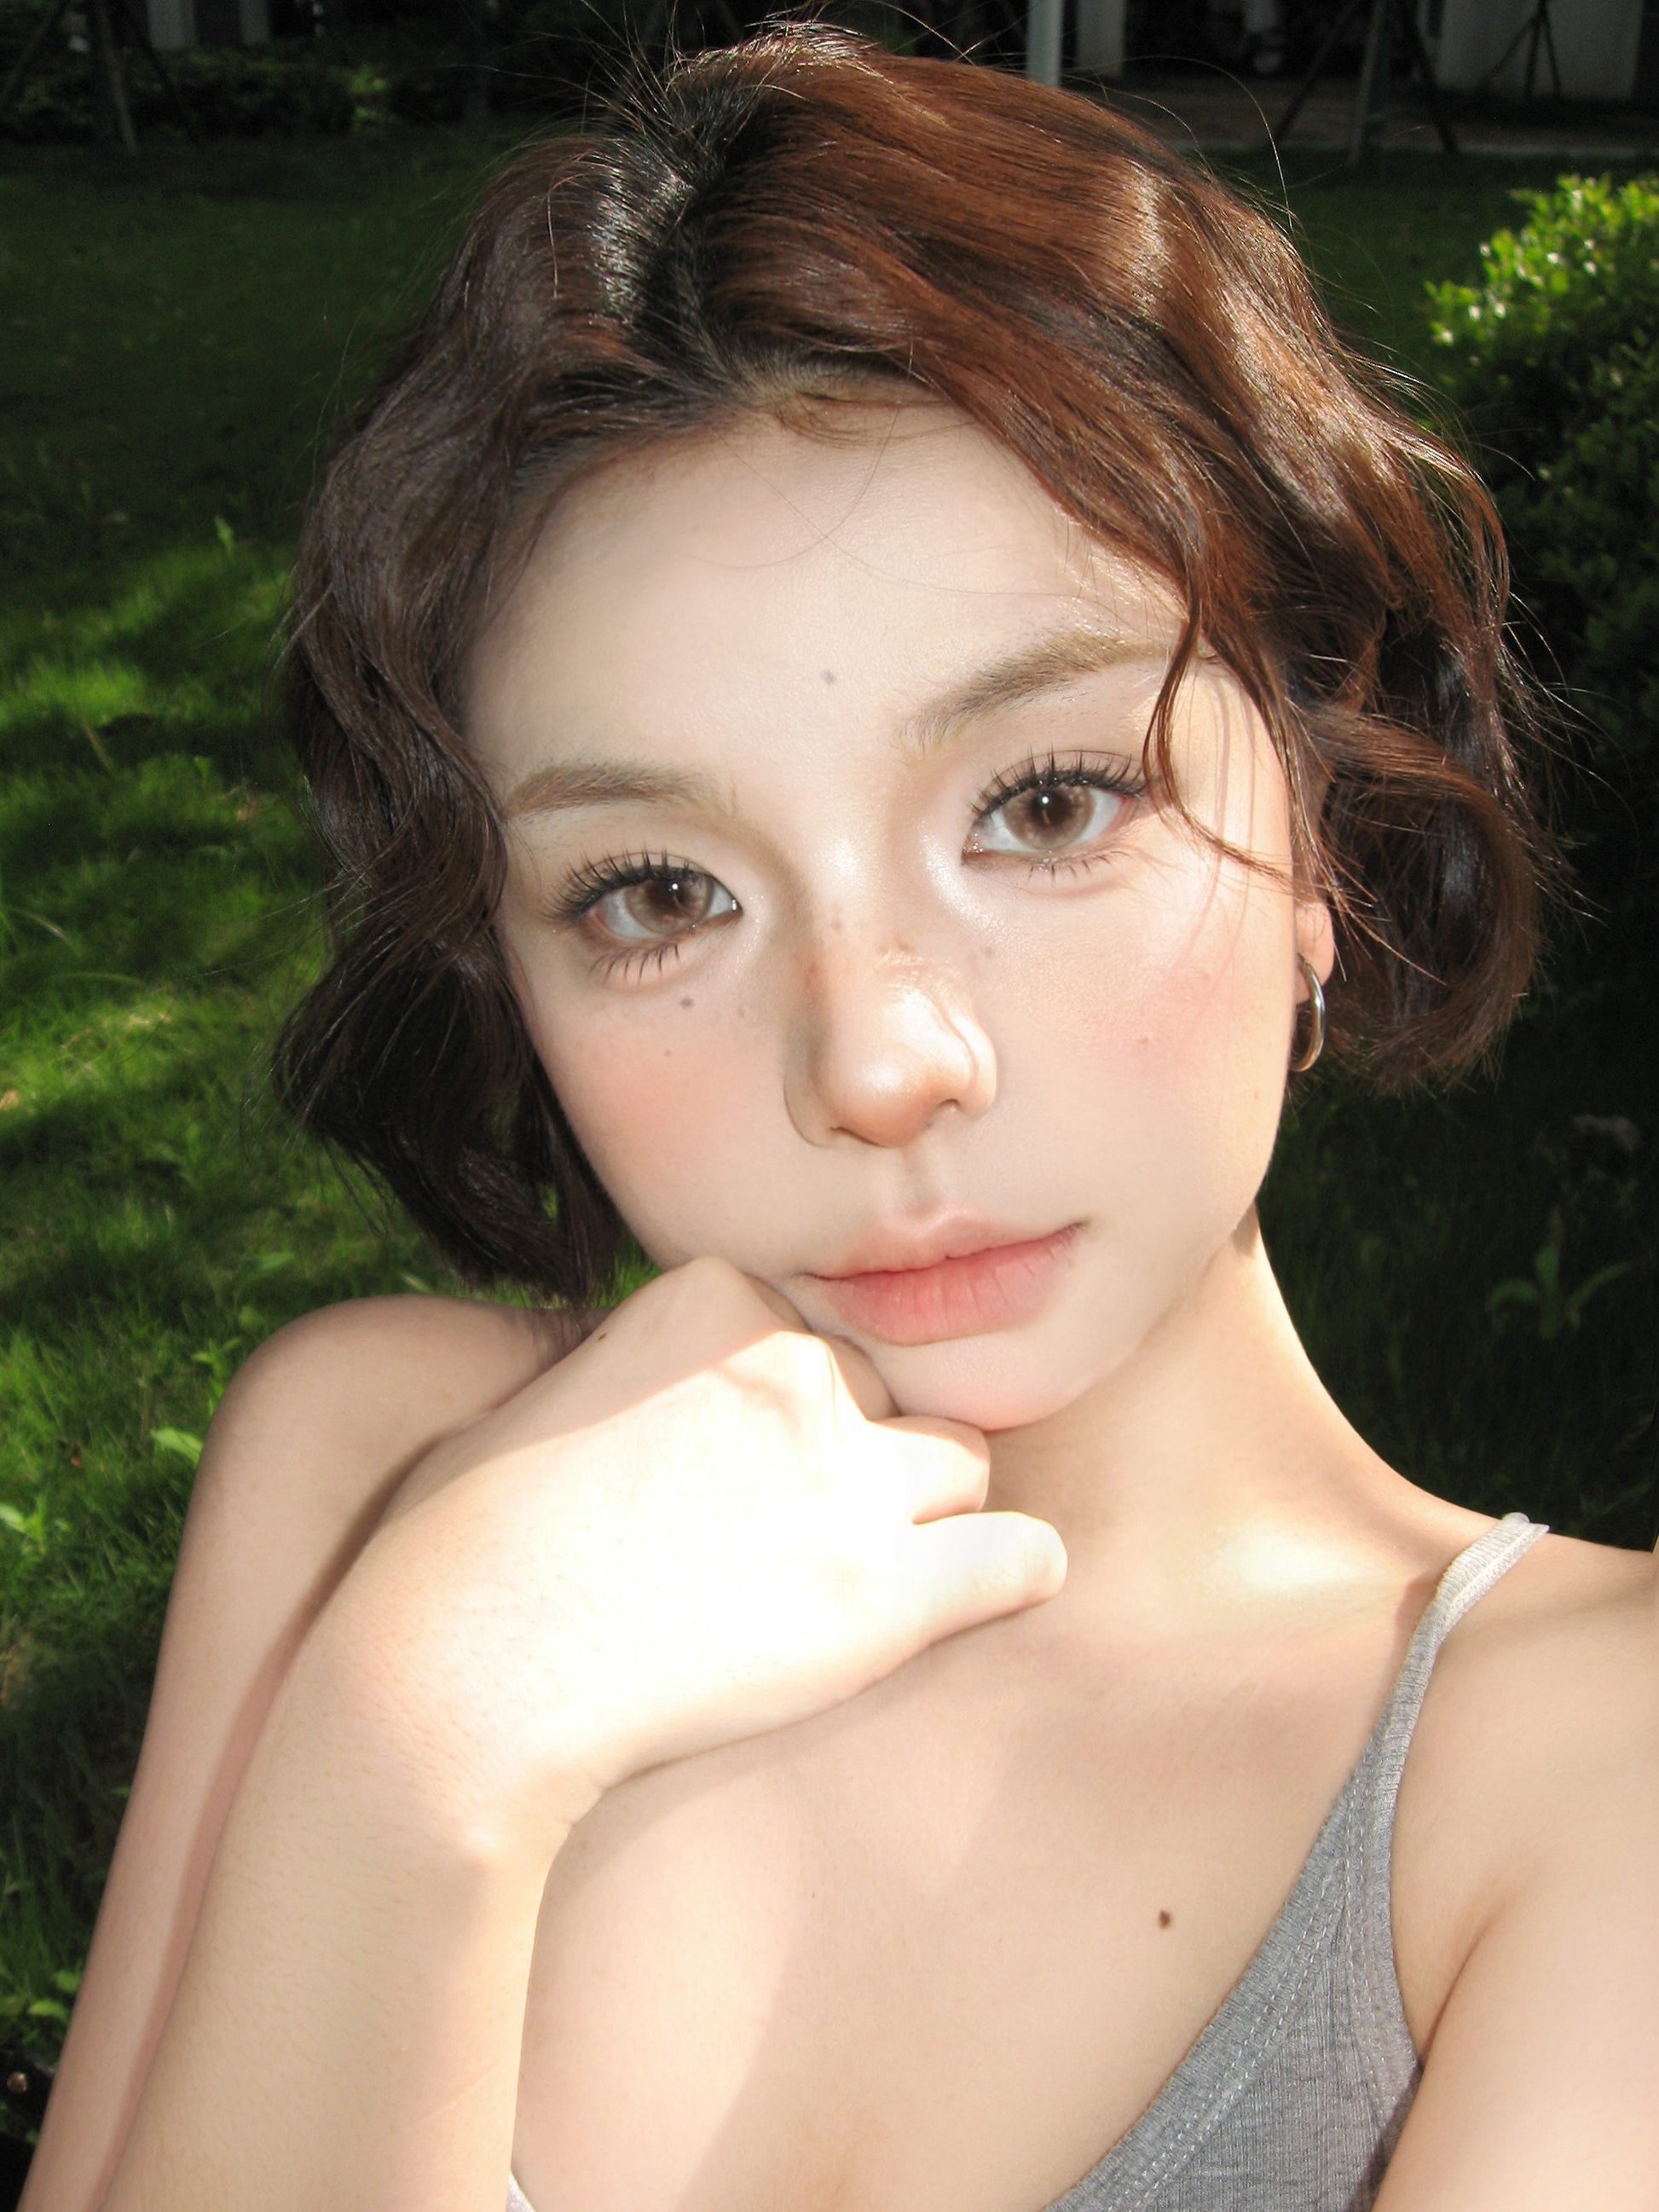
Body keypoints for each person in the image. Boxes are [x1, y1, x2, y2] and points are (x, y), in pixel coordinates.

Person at [21, 20, 1659, 2212]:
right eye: (659, 893)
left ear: (1328, 834)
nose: (877, 1062)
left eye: (1047, 803)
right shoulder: (372, 1482)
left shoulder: (1589, 1762)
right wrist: (414, 1758)